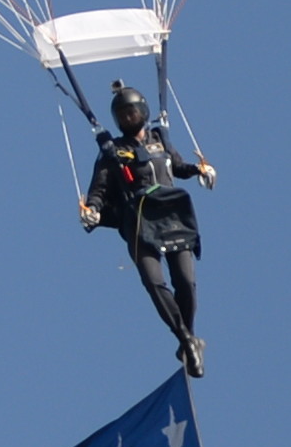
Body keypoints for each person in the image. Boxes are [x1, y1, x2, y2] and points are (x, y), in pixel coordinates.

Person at [76, 81, 217, 374]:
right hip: (139, 223)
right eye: (123, 116)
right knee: (154, 283)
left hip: (173, 217)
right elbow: (99, 192)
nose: (129, 119)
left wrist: (200, 170)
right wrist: (92, 210)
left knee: (186, 283)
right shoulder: (113, 152)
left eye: (132, 113)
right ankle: (187, 341)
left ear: (143, 111)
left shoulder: (159, 140)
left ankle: (187, 339)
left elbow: (177, 166)